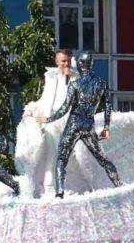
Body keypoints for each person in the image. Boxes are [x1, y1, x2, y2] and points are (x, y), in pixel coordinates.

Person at [38, 52, 122, 198]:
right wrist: (106, 128)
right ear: (92, 63)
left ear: (80, 65)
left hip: (74, 124)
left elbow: (65, 108)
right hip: (88, 125)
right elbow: (108, 106)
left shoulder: (75, 84)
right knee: (102, 158)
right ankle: (119, 185)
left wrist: (49, 119)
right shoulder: (101, 83)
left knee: (61, 158)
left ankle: (60, 192)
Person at [17, 49, 74, 198]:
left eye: (68, 61)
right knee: (51, 155)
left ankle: (65, 187)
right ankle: (49, 188)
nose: (66, 64)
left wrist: (72, 79)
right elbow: (45, 99)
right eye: (63, 61)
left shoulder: (77, 78)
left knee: (67, 157)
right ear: (57, 62)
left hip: (69, 121)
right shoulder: (51, 77)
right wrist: (31, 109)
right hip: (51, 121)